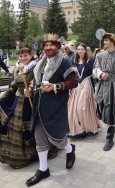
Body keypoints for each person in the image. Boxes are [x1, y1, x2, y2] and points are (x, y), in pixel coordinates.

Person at [24, 34, 78, 187]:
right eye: (46, 45)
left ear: (58, 47)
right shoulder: (40, 63)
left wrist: (55, 87)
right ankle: (43, 169)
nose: (48, 48)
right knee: (39, 138)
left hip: (55, 106)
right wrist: (30, 91)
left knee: (57, 139)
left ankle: (69, 149)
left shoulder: (64, 62)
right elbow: (37, 83)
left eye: (51, 45)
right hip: (39, 106)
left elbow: (74, 82)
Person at [0, 47, 57, 169]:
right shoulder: (18, 68)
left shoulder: (37, 68)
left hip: (31, 102)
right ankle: (16, 156)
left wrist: (32, 91)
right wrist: (3, 96)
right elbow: (14, 86)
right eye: (21, 56)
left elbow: (41, 83)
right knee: (14, 127)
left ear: (31, 55)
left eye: (25, 55)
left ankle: (39, 152)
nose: (23, 58)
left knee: (33, 128)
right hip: (18, 101)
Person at [93, 33, 115, 152]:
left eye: (106, 40)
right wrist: (100, 74)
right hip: (102, 86)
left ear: (112, 41)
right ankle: (110, 130)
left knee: (112, 112)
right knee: (102, 111)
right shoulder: (100, 56)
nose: (104, 43)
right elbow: (95, 70)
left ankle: (109, 138)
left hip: (114, 87)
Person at [68, 43, 100, 137]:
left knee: (82, 107)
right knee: (75, 108)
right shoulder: (74, 61)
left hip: (86, 85)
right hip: (76, 86)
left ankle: (87, 127)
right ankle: (80, 129)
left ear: (85, 51)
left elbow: (94, 73)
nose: (80, 51)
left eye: (82, 49)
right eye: (78, 49)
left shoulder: (90, 61)